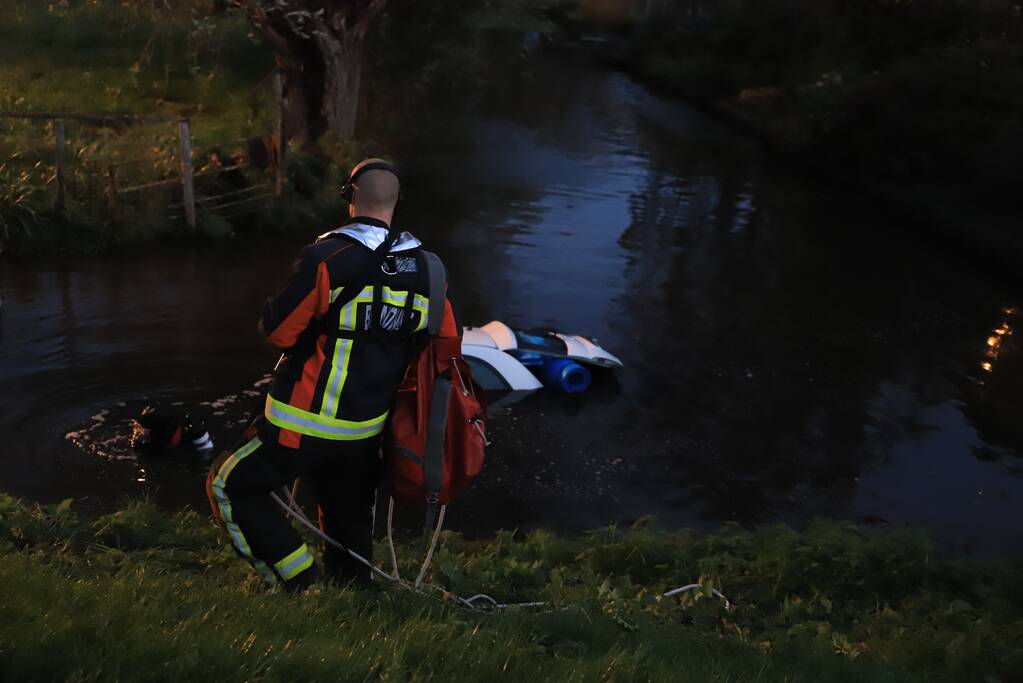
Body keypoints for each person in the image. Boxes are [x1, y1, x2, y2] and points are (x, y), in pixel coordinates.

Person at [206, 158, 458, 590]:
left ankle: (298, 582)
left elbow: (278, 333)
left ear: (351, 199)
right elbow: (443, 348)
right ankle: (352, 597)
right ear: (396, 203)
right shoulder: (430, 271)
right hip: (366, 431)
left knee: (229, 485)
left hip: (299, 425)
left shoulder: (324, 257)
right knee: (348, 523)